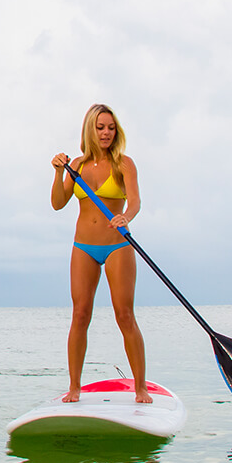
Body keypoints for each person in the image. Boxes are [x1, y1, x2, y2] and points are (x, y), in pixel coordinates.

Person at [49, 103, 150, 404]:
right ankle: (74, 387)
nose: (106, 133)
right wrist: (57, 173)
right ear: (89, 130)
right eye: (100, 127)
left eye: (111, 127)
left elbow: (135, 201)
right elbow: (58, 203)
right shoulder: (76, 165)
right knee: (80, 315)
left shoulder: (124, 163)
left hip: (117, 244)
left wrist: (127, 217)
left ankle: (140, 387)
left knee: (124, 315)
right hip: (83, 246)